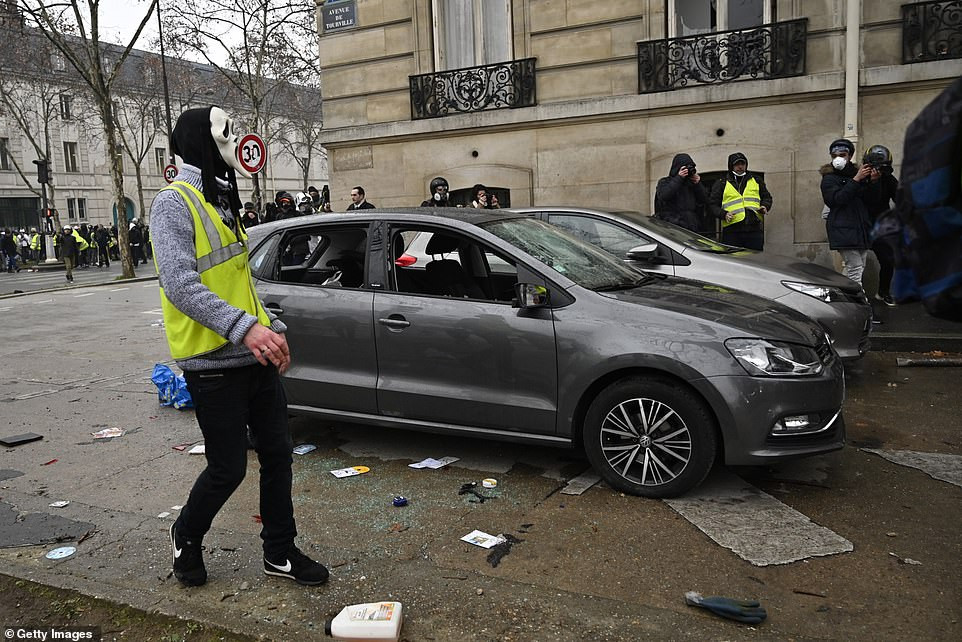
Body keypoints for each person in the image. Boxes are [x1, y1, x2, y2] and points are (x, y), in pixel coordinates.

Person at [151, 106, 328, 588]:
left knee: (278, 455)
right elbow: (179, 284)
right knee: (227, 468)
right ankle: (186, 534)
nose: (235, 141)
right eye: (224, 133)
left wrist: (271, 328)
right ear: (200, 142)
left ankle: (279, 552)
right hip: (211, 362)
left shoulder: (222, 201)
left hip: (252, 356)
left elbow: (240, 281)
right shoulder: (173, 202)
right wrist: (246, 330)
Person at [820, 138, 879, 287]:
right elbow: (836, 200)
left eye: (843, 155)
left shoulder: (857, 175)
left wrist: (872, 182)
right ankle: (858, 298)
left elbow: (870, 201)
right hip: (843, 229)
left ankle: (843, 294)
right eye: (834, 156)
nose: (838, 158)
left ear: (850, 156)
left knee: (859, 266)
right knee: (855, 268)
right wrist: (856, 179)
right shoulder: (829, 178)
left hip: (860, 228)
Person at [709, 152, 773, 251]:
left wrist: (765, 206)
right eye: (737, 164)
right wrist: (724, 214)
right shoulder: (722, 182)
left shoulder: (756, 180)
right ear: (731, 166)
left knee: (755, 258)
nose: (740, 167)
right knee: (733, 258)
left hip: (753, 228)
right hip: (732, 230)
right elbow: (712, 205)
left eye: (742, 164)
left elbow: (767, 197)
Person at [861, 145, 899, 306]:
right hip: (861, 225)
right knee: (856, 263)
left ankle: (883, 292)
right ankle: (855, 296)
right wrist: (873, 182)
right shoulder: (860, 178)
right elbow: (869, 200)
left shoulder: (888, 179)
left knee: (888, 259)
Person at [654, 153, 709, 233]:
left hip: (691, 225)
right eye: (685, 168)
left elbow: (705, 200)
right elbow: (664, 196)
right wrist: (679, 178)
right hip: (672, 226)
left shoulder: (691, 183)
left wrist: (698, 184)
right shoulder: (665, 181)